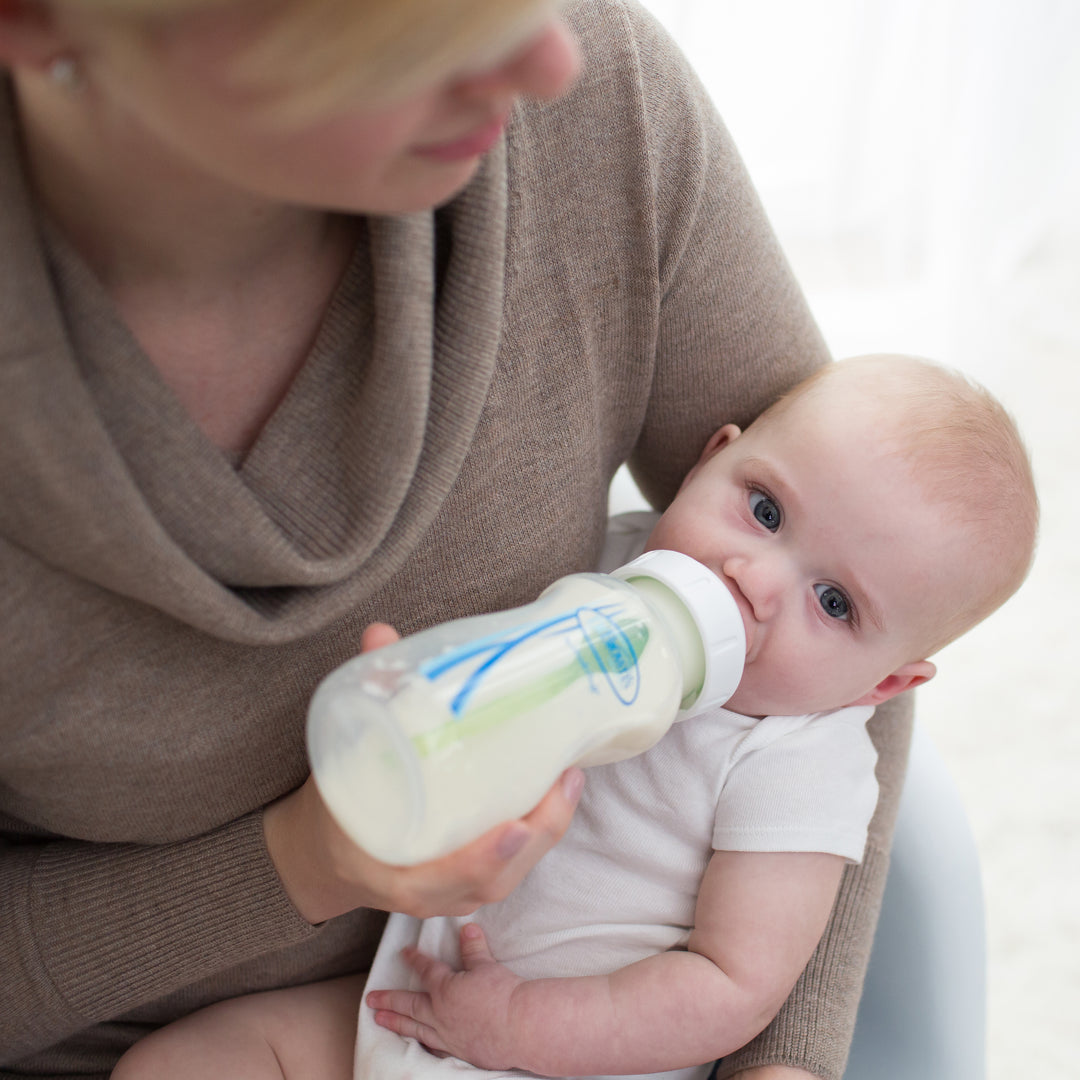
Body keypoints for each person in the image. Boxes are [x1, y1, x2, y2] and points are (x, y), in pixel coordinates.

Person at [0, 1, 909, 1078]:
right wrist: (300, 865)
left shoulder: (599, 105)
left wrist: (782, 1058)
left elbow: (862, 626)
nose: (548, 58)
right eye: (405, 19)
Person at [107, 353, 1040, 1080]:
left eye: (833, 604)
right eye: (762, 509)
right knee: (173, 1064)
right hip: (408, 997)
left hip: (570, 1056)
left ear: (882, 687)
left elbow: (732, 987)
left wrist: (523, 1028)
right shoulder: (612, 566)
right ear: (710, 460)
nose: (753, 583)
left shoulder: (795, 758)